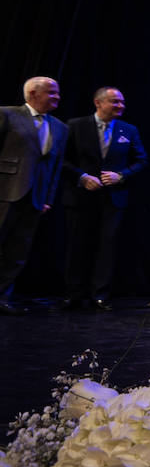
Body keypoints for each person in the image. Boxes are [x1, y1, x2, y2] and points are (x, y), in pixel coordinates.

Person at [62, 86, 147, 309]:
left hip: (113, 198)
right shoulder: (76, 125)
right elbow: (61, 159)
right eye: (114, 102)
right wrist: (81, 176)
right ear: (98, 103)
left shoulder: (128, 129)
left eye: (122, 102)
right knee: (77, 245)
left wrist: (121, 175)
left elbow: (141, 161)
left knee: (106, 247)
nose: (120, 106)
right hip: (81, 196)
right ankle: (74, 294)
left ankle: (100, 295)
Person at [0, 77, 67, 315]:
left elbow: (55, 167)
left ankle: (3, 296)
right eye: (51, 93)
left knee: (17, 252)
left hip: (35, 198)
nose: (57, 97)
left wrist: (48, 198)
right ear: (32, 94)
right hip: (5, 192)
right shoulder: (7, 114)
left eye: (57, 93)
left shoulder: (60, 127)